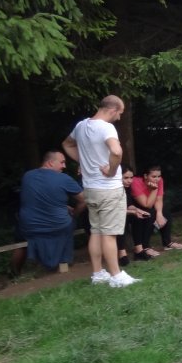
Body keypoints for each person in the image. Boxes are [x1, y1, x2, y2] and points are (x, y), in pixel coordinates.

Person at [62, 95, 139, 287]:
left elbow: (67, 144)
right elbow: (117, 151)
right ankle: (116, 276)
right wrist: (112, 170)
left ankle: (98, 274)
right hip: (109, 189)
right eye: (120, 113)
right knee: (109, 234)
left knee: (96, 231)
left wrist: (84, 162)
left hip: (90, 189)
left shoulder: (81, 126)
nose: (119, 118)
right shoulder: (106, 128)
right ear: (112, 110)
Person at [16, 151, 86, 271]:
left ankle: (14, 272)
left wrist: (62, 207)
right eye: (62, 162)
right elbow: (84, 200)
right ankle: (63, 263)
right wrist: (74, 214)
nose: (64, 166)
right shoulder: (64, 178)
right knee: (69, 223)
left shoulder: (27, 176)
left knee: (19, 234)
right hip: (58, 227)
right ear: (50, 163)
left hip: (30, 228)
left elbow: (38, 200)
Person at [130, 165, 182, 258]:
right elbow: (146, 204)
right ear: (145, 176)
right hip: (136, 206)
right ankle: (145, 246)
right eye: (154, 176)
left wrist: (160, 214)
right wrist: (154, 190)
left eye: (159, 176)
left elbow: (159, 199)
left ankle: (167, 242)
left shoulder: (160, 181)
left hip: (151, 202)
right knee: (150, 213)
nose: (157, 179)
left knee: (165, 212)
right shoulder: (136, 182)